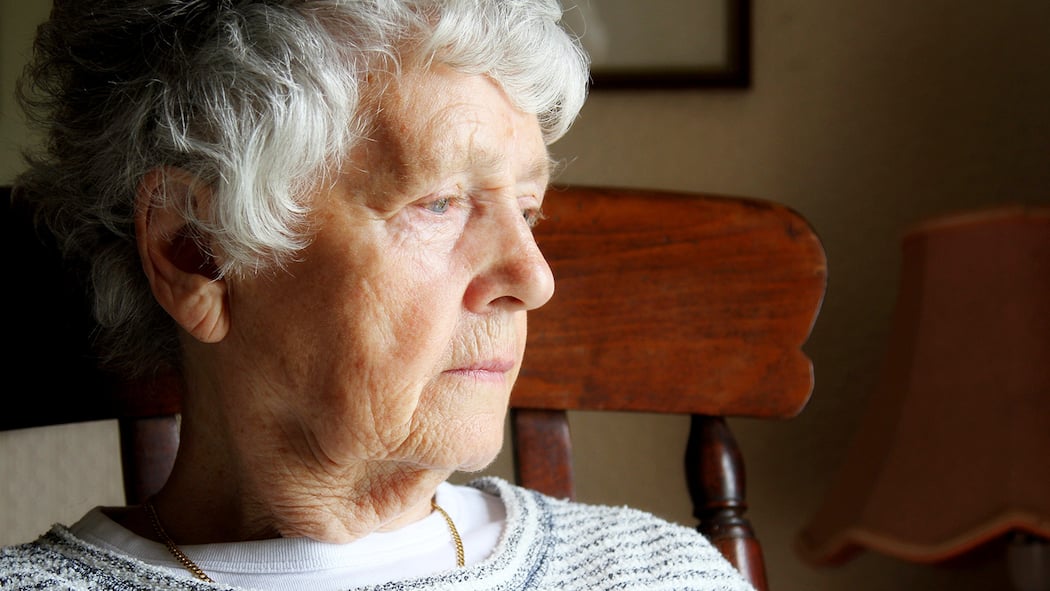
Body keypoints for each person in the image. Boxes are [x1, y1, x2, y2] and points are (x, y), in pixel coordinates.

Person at [0, 1, 756, 590]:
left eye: (527, 210)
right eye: (438, 202)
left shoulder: (653, 571)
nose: (533, 277)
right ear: (197, 250)